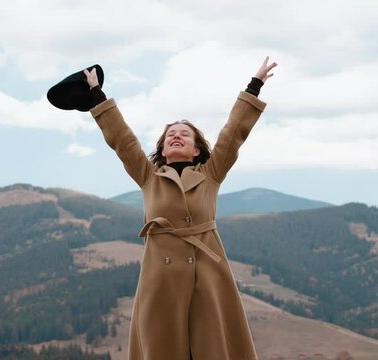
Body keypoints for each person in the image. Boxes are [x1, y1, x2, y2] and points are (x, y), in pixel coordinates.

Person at [83, 57, 277, 360]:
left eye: (184, 134)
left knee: (213, 348)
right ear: (161, 149)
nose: (176, 136)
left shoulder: (211, 173)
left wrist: (254, 86)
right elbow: (122, 140)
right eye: (170, 134)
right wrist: (96, 94)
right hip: (160, 281)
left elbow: (233, 133)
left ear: (196, 148)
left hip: (209, 278)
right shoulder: (148, 176)